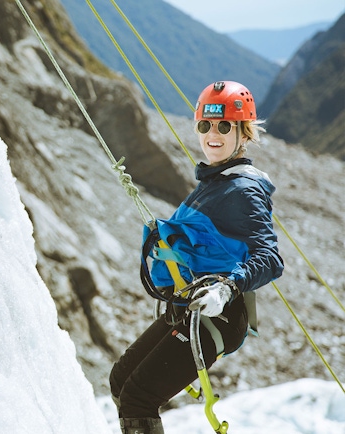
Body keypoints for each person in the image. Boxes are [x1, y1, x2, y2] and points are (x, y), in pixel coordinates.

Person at [109, 81, 284, 434]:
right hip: (190, 306)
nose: (212, 134)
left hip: (219, 313)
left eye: (224, 126)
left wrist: (227, 287)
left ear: (243, 133)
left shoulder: (244, 189)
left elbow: (270, 258)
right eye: (205, 125)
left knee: (138, 398)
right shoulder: (215, 181)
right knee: (121, 380)